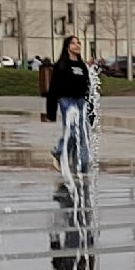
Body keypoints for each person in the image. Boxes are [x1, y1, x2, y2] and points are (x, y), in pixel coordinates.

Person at [47, 34, 94, 172]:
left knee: (84, 134)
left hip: (81, 101)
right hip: (66, 101)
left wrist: (92, 112)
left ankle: (83, 167)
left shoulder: (82, 66)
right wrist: (51, 112)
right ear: (67, 47)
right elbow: (54, 88)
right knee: (72, 131)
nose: (77, 45)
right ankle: (59, 153)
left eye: (79, 43)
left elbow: (88, 89)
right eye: (73, 43)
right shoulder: (61, 65)